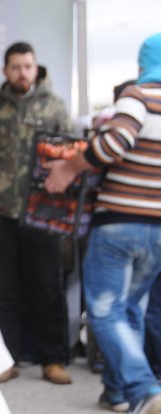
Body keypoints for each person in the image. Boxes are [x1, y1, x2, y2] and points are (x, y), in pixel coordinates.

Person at [44, 32, 161, 413]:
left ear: (143, 64)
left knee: (105, 312)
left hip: (120, 226)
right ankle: (117, 391)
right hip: (158, 229)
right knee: (131, 310)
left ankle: (143, 389)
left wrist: (70, 167)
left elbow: (115, 143)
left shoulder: (138, 96)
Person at [0, 41, 73, 385]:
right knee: (0, 289)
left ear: (36, 67)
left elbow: (70, 155)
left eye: (28, 66)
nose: (22, 73)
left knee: (46, 285)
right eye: (16, 67)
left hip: (41, 213)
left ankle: (52, 360)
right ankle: (5, 358)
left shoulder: (54, 105)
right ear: (5, 71)